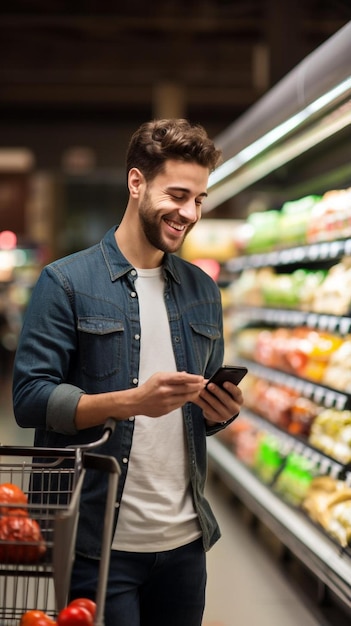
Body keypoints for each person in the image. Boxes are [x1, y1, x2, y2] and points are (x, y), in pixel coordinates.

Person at [12, 118, 243, 626]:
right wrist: (131, 401)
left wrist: (217, 412)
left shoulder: (204, 292)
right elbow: (30, 398)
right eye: (178, 194)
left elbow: (187, 418)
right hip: (99, 543)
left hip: (185, 543)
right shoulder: (66, 282)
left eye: (200, 199)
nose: (189, 213)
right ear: (136, 182)